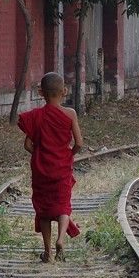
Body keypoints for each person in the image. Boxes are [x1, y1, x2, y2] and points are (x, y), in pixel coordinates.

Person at [18, 72, 84, 262]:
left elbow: (27, 145)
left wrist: (41, 155)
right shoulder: (70, 114)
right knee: (63, 206)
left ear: (41, 93)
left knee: (44, 210)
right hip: (61, 168)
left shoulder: (36, 116)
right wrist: (67, 156)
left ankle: (47, 253)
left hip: (41, 170)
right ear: (64, 91)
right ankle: (61, 240)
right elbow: (79, 143)